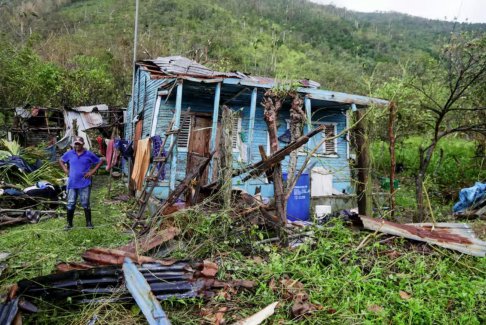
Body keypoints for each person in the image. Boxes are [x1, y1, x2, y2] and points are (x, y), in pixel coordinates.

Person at [59, 136, 105, 230]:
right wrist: (65, 169)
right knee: (71, 203)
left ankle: (88, 223)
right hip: (72, 183)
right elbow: (61, 160)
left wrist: (92, 172)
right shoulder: (70, 153)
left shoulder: (89, 154)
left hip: (84, 183)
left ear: (83, 144)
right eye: (75, 143)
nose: (77, 145)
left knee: (85, 203)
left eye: (79, 143)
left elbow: (100, 161)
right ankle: (69, 224)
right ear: (74, 144)